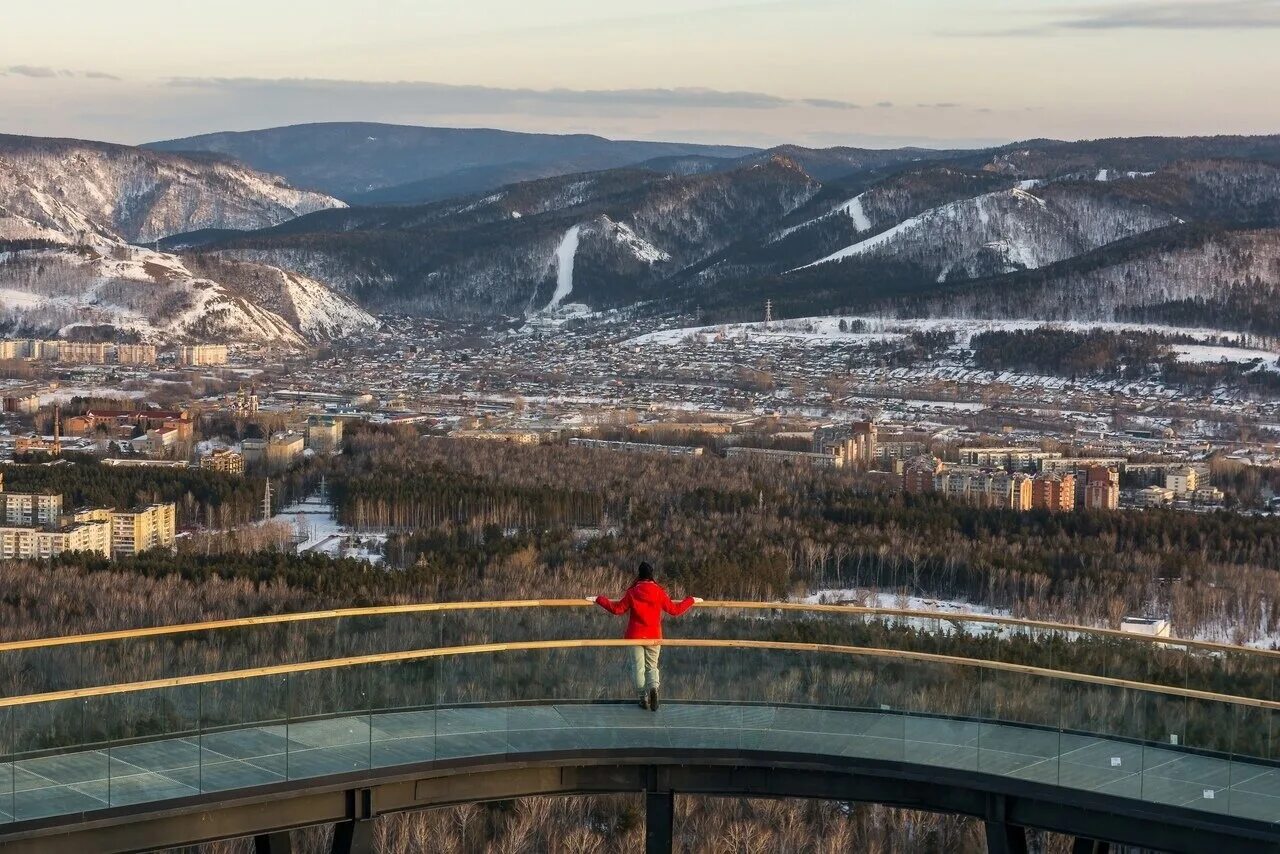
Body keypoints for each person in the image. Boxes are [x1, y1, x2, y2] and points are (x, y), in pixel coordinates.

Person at [589, 562, 701, 711]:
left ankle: (643, 698)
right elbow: (675, 610)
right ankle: (654, 687)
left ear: (639, 575)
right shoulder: (658, 592)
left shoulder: (633, 592)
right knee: (652, 666)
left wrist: (598, 599)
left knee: (638, 668)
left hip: (634, 636)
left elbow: (617, 609)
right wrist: (691, 600)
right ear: (651, 575)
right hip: (654, 636)